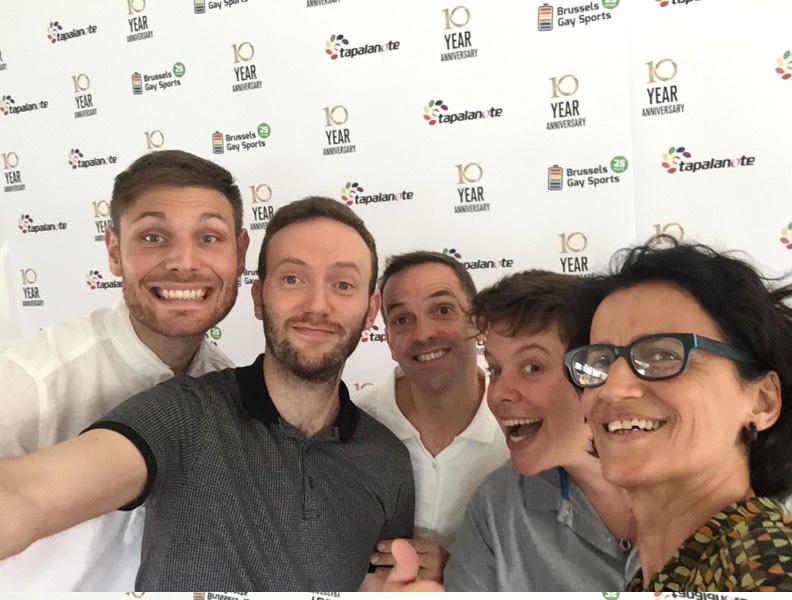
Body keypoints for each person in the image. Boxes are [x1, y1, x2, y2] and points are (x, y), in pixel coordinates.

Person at [0, 196, 415, 591]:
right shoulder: (183, 411)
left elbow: (378, 582)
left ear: (370, 310)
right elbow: (24, 497)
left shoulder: (388, 460)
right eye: (293, 279)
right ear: (259, 298)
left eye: (343, 284)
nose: (317, 305)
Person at [0, 149, 249, 590]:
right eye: (153, 237)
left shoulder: (231, 393)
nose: (184, 262)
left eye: (209, 238)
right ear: (115, 251)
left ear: (241, 254)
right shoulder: (30, 380)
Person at [563, 236, 792, 591]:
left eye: (663, 356)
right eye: (599, 361)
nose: (612, 388)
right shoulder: (666, 574)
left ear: (762, 400)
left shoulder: (767, 560)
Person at [443, 269, 639, 590]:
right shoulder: (498, 506)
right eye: (495, 369)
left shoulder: (704, 486)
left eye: (532, 367)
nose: (497, 392)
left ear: (594, 373)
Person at [355, 251, 508, 581]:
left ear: (478, 323)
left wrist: (462, 571)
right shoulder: (349, 427)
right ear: (389, 341)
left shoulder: (520, 435)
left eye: (443, 310)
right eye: (402, 320)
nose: (423, 333)